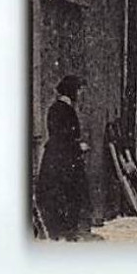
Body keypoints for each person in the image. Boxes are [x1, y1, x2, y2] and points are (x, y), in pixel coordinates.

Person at [34, 74, 93, 240]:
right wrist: (77, 146)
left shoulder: (59, 108)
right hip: (63, 160)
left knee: (66, 194)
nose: (80, 95)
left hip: (61, 158)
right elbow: (62, 136)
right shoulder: (63, 110)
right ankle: (65, 231)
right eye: (79, 90)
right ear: (72, 91)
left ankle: (66, 230)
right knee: (67, 193)